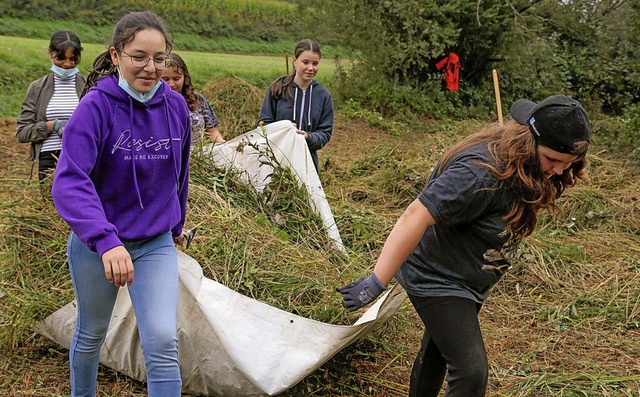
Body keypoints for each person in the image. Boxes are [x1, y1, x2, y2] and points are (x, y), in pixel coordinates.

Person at [337, 95, 591, 397]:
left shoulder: (525, 164)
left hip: (465, 275)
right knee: (471, 372)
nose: (559, 171)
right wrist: (378, 279)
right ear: (528, 140)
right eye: (553, 160)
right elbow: (415, 215)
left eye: (568, 164)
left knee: (438, 352)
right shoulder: (479, 174)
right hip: (438, 277)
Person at [51, 11, 191, 397]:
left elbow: (180, 173)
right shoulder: (96, 107)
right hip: (98, 246)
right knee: (92, 332)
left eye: (159, 58)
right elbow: (69, 181)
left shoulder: (175, 107)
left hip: (154, 243)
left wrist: (176, 226)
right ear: (116, 56)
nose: (150, 67)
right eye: (138, 56)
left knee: (162, 340)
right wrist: (105, 238)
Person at [16, 30, 86, 180]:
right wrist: (51, 126)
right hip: (49, 157)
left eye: (72, 59)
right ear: (50, 53)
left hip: (81, 155)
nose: (67, 64)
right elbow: (22, 132)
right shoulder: (37, 88)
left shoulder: (89, 87)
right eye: (60, 58)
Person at [257, 39, 333, 172]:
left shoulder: (323, 96)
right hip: (275, 162)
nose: (310, 68)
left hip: (307, 163)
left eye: (315, 63)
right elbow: (263, 124)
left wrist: (308, 137)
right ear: (295, 60)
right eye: (305, 62)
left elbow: (325, 133)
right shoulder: (278, 89)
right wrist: (282, 128)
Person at [162, 52, 225, 144]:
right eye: (165, 79)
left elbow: (212, 132)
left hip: (199, 154)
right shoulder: (151, 103)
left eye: (176, 79)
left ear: (185, 77)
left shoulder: (197, 99)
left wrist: (222, 144)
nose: (171, 84)